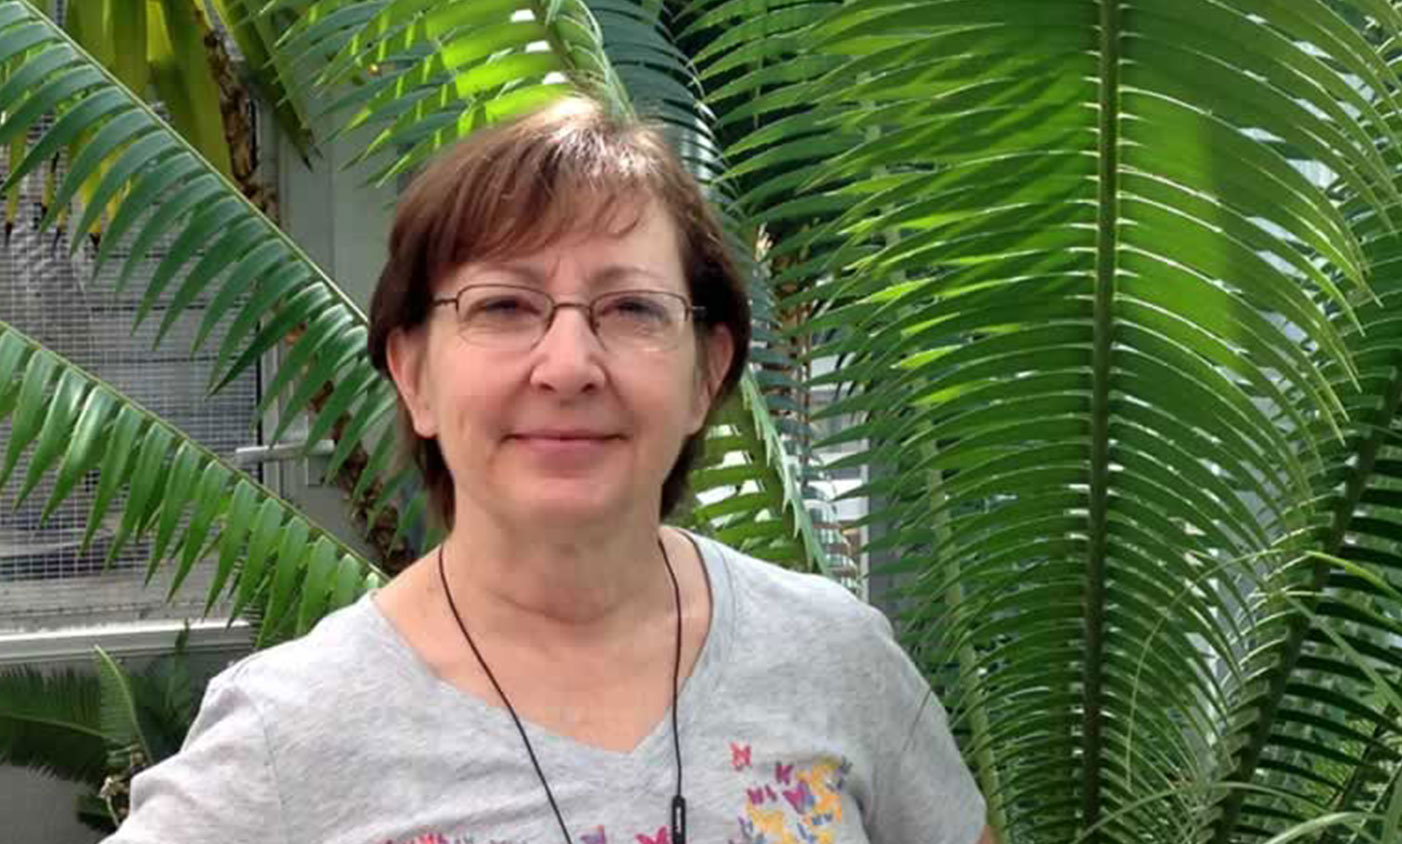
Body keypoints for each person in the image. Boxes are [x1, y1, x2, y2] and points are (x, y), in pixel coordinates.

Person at [102, 96, 992, 844]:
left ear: (707, 373)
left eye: (632, 308)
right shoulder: (289, 735)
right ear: (413, 373)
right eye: (504, 305)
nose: (568, 364)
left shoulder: (834, 658)